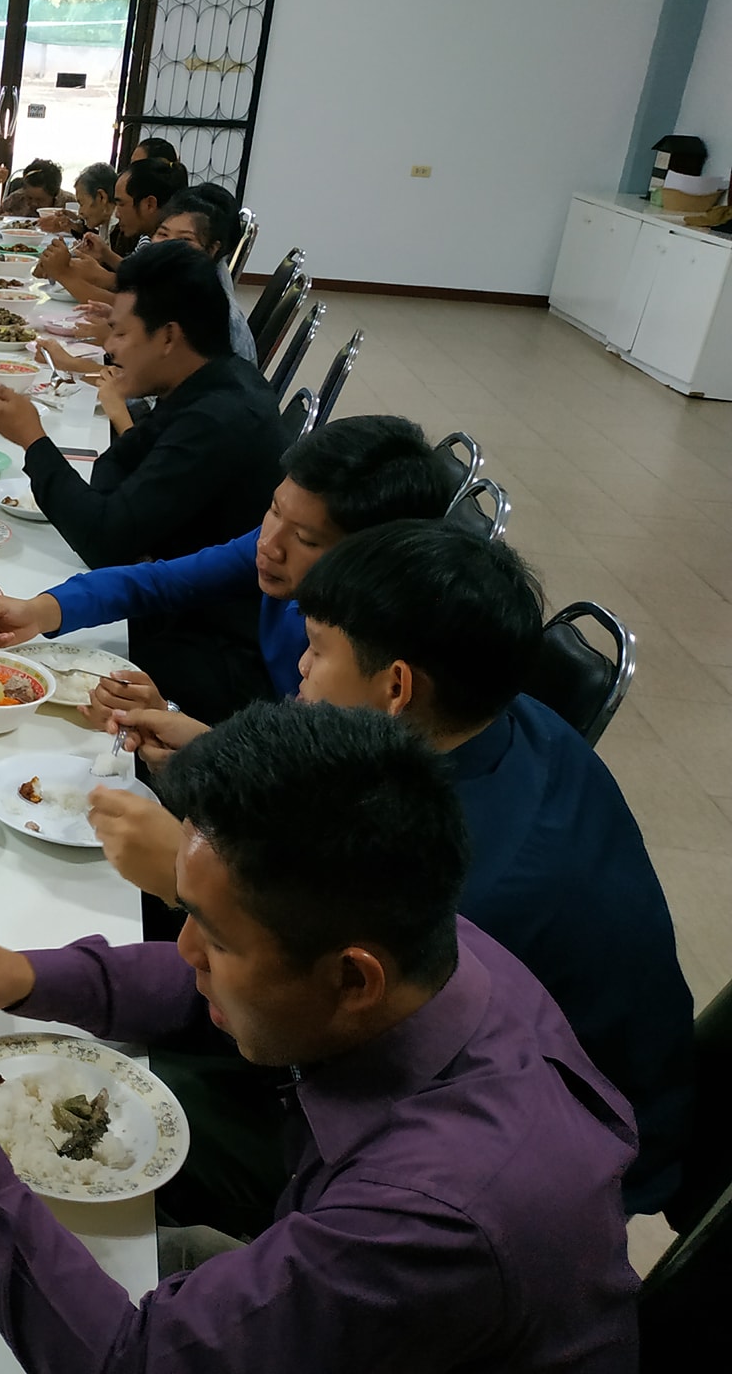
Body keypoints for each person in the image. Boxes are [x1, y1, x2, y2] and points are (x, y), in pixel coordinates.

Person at [0, 700, 641, 1374]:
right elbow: (228, 987)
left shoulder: (428, 1217)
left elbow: (130, 1363)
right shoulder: (421, 934)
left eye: (216, 937)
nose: (186, 949)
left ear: (353, 977)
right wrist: (24, 975)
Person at [104, 522, 694, 1220]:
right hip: (459, 1064)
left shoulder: (470, 882)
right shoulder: (501, 719)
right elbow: (325, 816)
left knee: (116, 1094)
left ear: (395, 687)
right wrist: (199, 747)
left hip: (499, 1166)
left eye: (317, 652)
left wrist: (184, 879)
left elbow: (299, 1024)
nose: (297, 667)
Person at [0, 414, 455, 732]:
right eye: (273, 510)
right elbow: (160, 581)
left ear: (376, 554)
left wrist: (175, 722)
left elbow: (300, 788)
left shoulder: (383, 665)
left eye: (305, 539)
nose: (269, 544)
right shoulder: (276, 548)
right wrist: (39, 610)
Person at [0, 244, 284, 717]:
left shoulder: (220, 417)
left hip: (212, 648)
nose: (109, 348)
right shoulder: (205, 383)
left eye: (121, 333)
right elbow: (113, 475)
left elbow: (104, 540)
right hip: (168, 597)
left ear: (168, 336)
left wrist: (34, 442)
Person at [35, 157, 188, 301]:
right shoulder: (148, 238)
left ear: (149, 204)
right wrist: (105, 254)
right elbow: (135, 276)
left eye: (120, 204)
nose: (117, 213)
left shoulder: (172, 246)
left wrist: (65, 273)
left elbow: (137, 307)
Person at [150, 194, 255, 363]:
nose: (168, 246)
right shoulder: (177, 285)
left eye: (185, 239)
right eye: (163, 234)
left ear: (213, 248)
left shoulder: (211, 312)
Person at [0, 158, 65, 215]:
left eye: (40, 200)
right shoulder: (15, 199)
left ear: (54, 194)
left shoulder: (68, 202)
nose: (34, 203)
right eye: (29, 198)